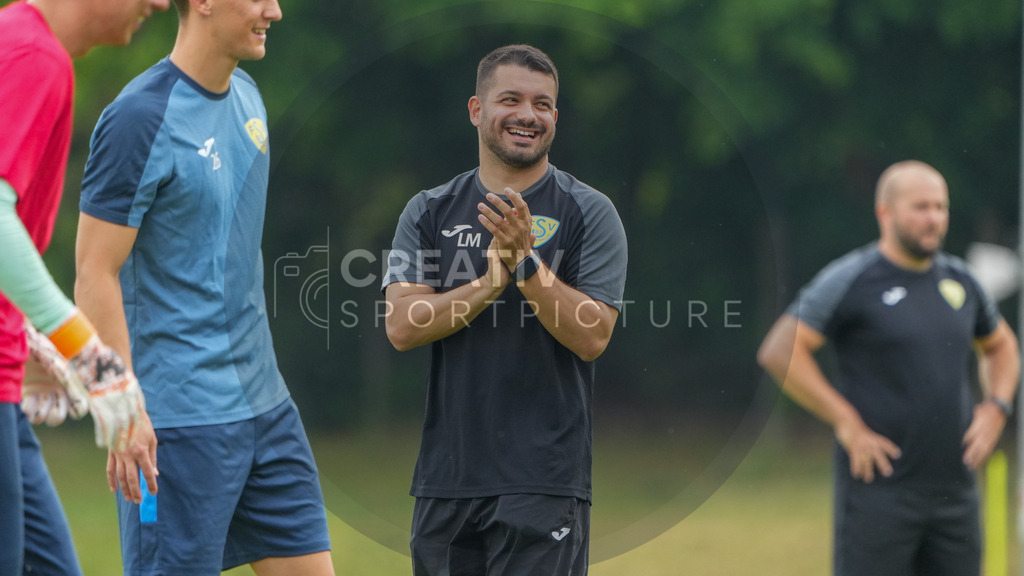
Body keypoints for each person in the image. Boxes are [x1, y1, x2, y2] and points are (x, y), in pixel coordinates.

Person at [74, 0, 335, 573]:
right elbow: (93, 273)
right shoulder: (137, 119)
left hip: (267, 411)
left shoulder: (249, 97)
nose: (276, 11)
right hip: (177, 424)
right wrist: (121, 406)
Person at [383, 44, 628, 576]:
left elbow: (593, 335)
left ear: (555, 119)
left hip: (544, 482)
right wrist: (494, 277)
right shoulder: (428, 210)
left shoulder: (589, 210)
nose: (527, 115)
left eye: (542, 105)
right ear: (476, 110)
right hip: (445, 482)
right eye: (510, 100)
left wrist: (525, 266)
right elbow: (402, 325)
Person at [757, 160, 1020, 576]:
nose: (934, 218)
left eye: (940, 207)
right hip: (879, 494)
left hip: (957, 493)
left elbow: (1002, 346)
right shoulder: (853, 279)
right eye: (921, 207)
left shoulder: (962, 281)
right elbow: (779, 350)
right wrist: (846, 422)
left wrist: (997, 408)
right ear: (885, 212)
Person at [0, 0, 168, 572]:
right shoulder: (33, 55)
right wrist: (89, 353)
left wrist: (26, 337)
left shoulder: (27, 47)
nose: (162, 3)